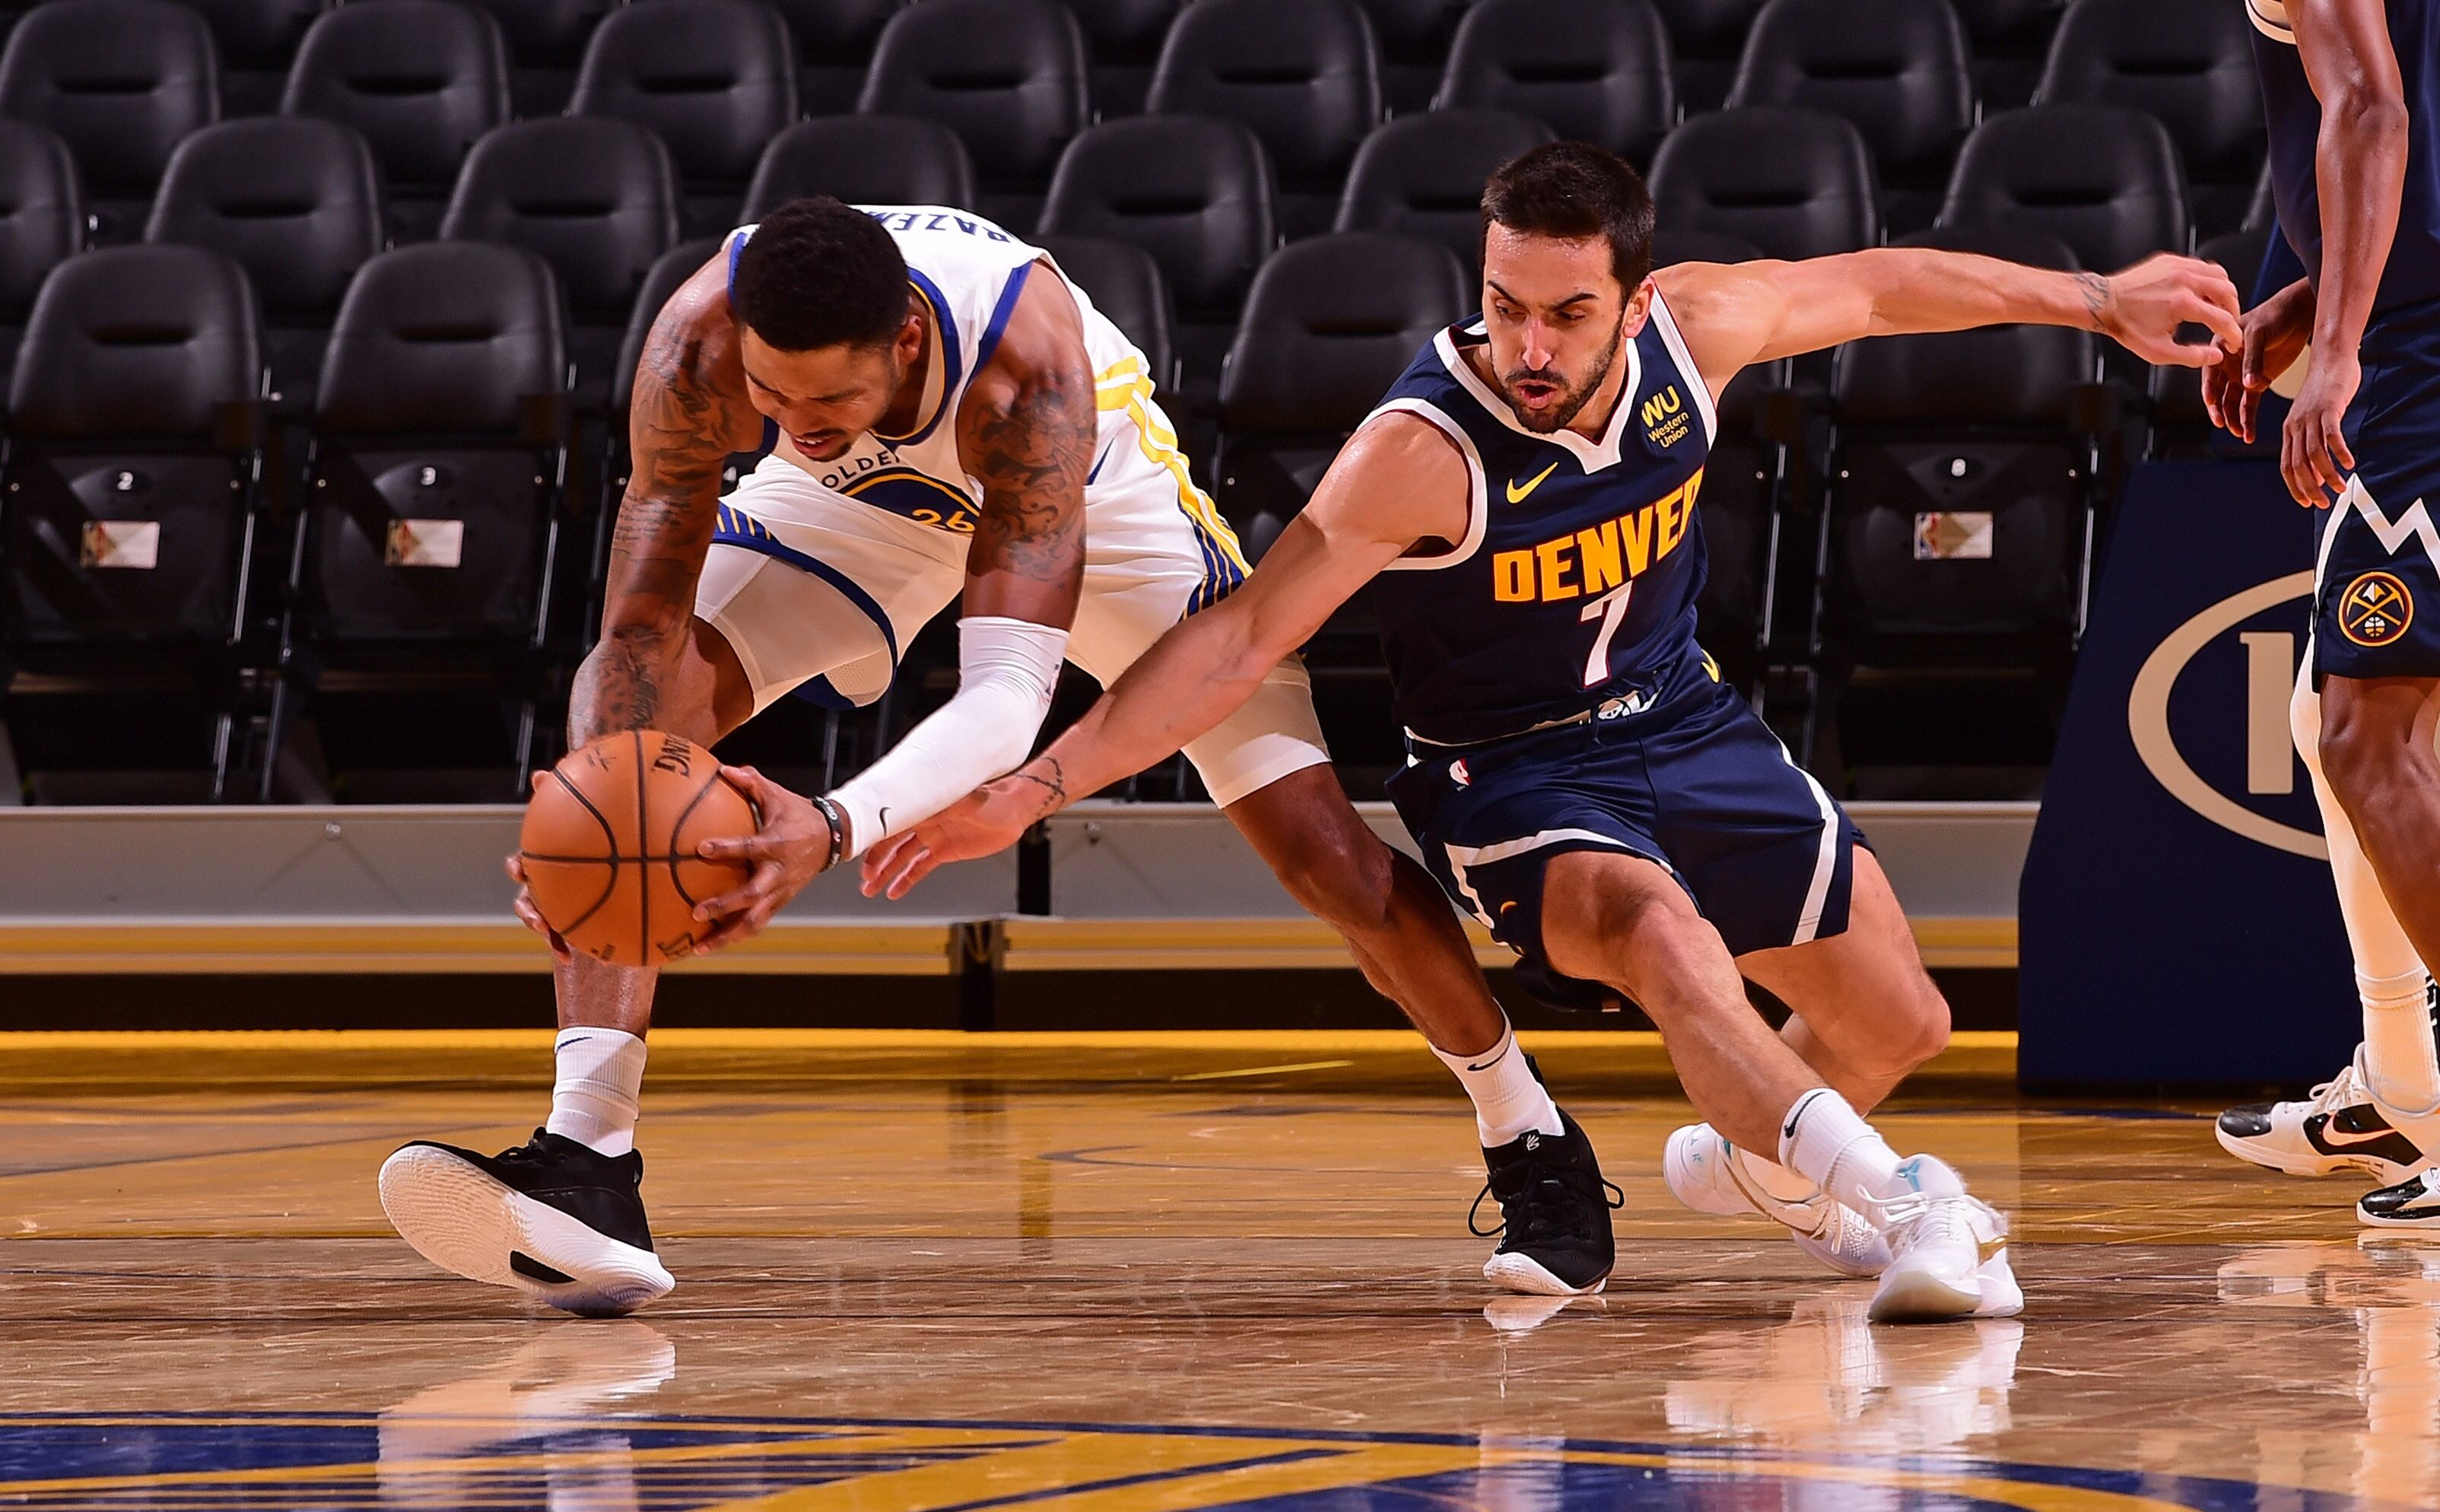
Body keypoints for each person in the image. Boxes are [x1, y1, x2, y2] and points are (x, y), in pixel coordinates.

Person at [855, 143, 2245, 1322]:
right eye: (1505, 305)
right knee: (1665, 943)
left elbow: (1881, 286)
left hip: (1683, 718)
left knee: (1905, 1016)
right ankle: (1912, 1203)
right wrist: (1034, 786)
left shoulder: (1697, 333)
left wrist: (2099, 297)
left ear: (1635, 301)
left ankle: (1755, 1162)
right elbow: (1235, 639)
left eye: (1567, 316)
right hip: (1510, 774)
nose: (1528, 347)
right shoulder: (1420, 447)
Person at [376, 199, 1619, 1316]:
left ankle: (1530, 1135)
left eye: (829, 403)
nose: (796, 430)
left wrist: (835, 821)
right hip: (866, 514)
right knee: (643, 733)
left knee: (1323, 856)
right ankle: (589, 1158)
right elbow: (639, 626)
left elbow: (1008, 696)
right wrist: (600, 802)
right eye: (776, 402)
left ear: (906, 345)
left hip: (1102, 514)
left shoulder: (1027, 372)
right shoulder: (704, 340)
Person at [2201, 0, 2440, 1226]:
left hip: (2418, 353)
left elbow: (2372, 106)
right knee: (2327, 716)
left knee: (2363, 732)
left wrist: (2339, 342)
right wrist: (2307, 291)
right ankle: (2406, 1079)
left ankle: (2429, 1090)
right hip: (2404, 319)